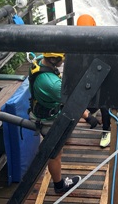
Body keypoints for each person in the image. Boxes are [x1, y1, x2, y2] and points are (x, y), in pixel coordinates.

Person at [28, 52, 81, 194]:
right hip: (47, 121)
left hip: (41, 108)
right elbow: (73, 101)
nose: (63, 61)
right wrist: (88, 116)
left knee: (54, 149)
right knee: (55, 153)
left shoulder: (39, 61)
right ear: (53, 59)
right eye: (61, 59)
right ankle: (59, 185)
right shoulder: (51, 84)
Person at [76, 13, 112, 148]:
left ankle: (106, 130)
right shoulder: (77, 42)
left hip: (100, 74)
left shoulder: (100, 41)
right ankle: (91, 112)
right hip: (87, 77)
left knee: (104, 101)